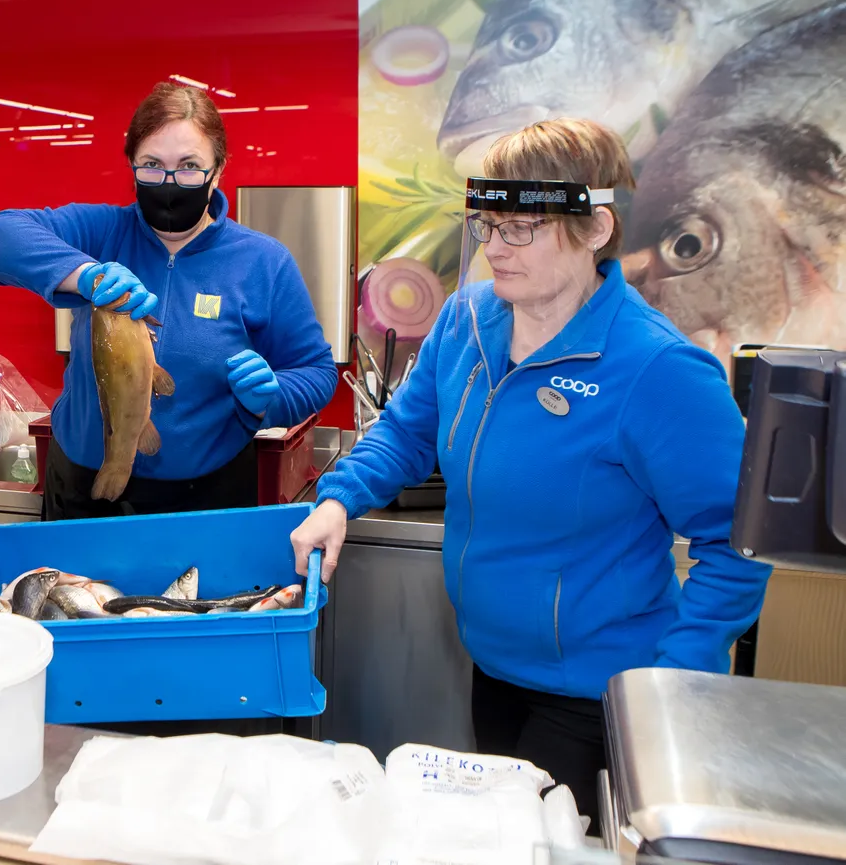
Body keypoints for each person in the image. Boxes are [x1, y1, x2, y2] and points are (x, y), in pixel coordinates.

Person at [289, 118, 771, 829]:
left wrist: (671, 687)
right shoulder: (466, 321)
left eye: (523, 228)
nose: (495, 248)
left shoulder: (657, 370)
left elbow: (736, 542)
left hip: (599, 696)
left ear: (597, 227)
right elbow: (407, 431)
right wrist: (338, 498)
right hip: (491, 668)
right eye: (488, 224)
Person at [0, 82, 337, 519]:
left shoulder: (264, 262)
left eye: (188, 166)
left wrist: (273, 397)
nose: (169, 183)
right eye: (151, 165)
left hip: (206, 498)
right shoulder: (102, 233)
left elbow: (316, 372)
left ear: (218, 169)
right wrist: (84, 274)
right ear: (131, 166)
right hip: (81, 488)